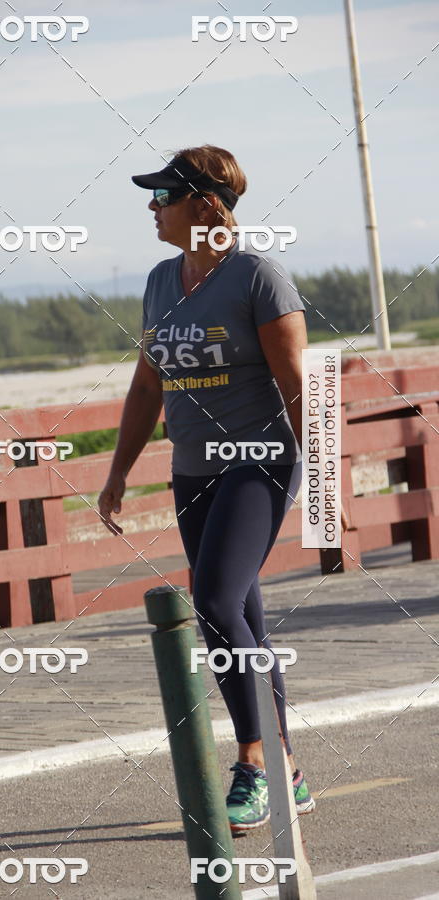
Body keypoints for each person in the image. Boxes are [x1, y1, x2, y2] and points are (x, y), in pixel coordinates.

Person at [98, 145, 345, 832]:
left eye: (164, 196)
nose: (152, 207)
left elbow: (299, 386)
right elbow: (149, 383)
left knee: (212, 601)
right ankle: (289, 768)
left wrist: (324, 480)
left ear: (205, 205)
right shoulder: (158, 280)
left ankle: (256, 764)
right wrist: (118, 469)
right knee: (243, 613)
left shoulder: (257, 277)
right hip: (194, 470)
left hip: (260, 462)